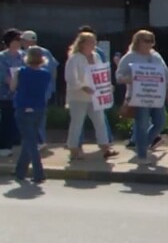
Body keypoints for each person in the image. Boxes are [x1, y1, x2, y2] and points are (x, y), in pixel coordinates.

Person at [116, 30, 168, 163]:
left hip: (156, 96)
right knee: (141, 124)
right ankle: (142, 155)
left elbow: (166, 74)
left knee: (160, 122)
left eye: (151, 41)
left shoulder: (156, 56)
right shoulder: (130, 57)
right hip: (139, 97)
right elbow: (118, 76)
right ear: (138, 42)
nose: (149, 44)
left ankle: (142, 145)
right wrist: (129, 79)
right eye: (146, 41)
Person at [64, 31, 117, 160]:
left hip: (96, 96)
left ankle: (105, 147)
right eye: (90, 42)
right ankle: (73, 149)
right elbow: (70, 77)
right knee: (77, 122)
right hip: (78, 97)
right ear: (82, 44)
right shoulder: (74, 58)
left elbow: (101, 73)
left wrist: (107, 86)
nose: (93, 44)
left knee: (100, 121)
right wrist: (82, 86)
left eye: (94, 41)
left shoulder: (96, 56)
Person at [11, 47, 51, 183]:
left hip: (22, 107)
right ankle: (20, 171)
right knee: (30, 139)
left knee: (30, 142)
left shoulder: (20, 72)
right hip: (39, 108)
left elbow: (12, 87)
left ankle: (39, 172)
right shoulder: (46, 74)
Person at [74, 26, 116, 147]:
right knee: (84, 119)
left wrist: (106, 85)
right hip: (83, 90)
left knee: (98, 117)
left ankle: (105, 140)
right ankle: (79, 142)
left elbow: (102, 70)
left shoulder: (97, 53)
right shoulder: (75, 55)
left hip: (96, 89)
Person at [20, 31, 58, 146]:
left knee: (30, 116)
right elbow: (54, 70)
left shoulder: (25, 53)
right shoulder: (46, 52)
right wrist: (52, 86)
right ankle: (40, 140)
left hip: (31, 91)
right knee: (41, 115)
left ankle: (37, 140)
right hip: (45, 89)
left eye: (23, 40)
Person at [0, 29, 26, 158]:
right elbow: (4, 75)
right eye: (16, 40)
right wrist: (13, 85)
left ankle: (15, 142)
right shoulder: (2, 57)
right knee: (7, 119)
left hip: (21, 94)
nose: (19, 43)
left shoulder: (24, 56)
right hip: (5, 94)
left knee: (18, 120)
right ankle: (4, 146)